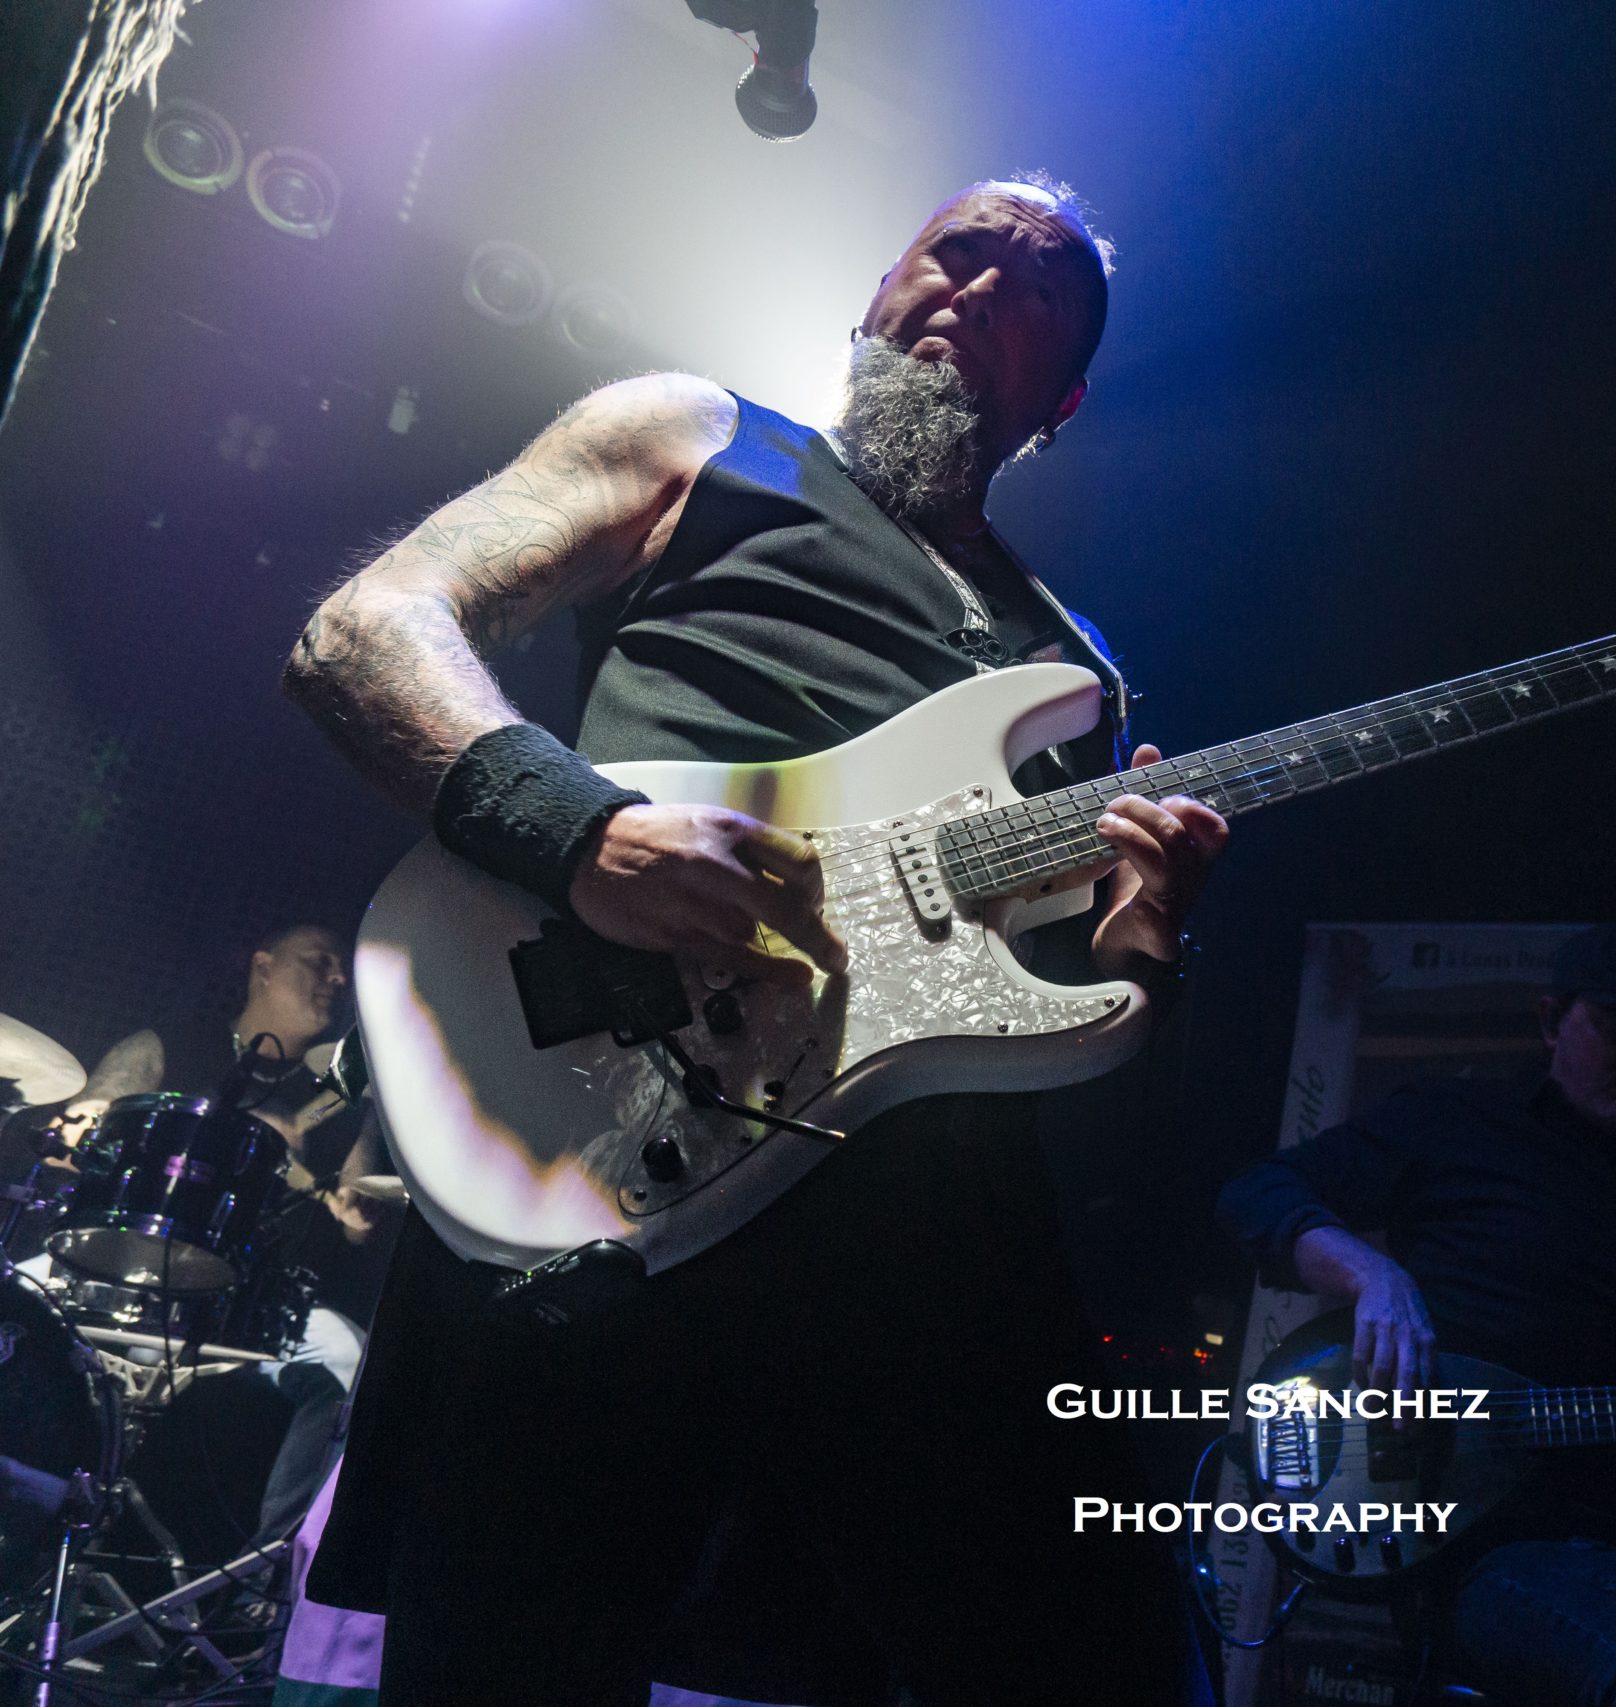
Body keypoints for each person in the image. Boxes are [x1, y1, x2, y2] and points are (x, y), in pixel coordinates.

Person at [281, 176, 1224, 1705]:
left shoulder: (1078, 669)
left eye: (1039, 289)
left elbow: (1064, 1034)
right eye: (958, 252)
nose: (983, 289)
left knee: (1101, 1653)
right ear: (876, 295)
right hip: (605, 1120)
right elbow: (368, 629)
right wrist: (580, 830)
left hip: (919, 1223)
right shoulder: (702, 437)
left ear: (1063, 400)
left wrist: (1143, 946)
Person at [1215, 924, 1616, 1705]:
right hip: (1471, 1549)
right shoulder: (1456, 1120)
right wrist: (1373, 1274)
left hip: (1610, 1544)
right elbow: (1254, 1194)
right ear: (1551, 1020)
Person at [24, 922, 395, 1549]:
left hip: (239, 1303)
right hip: (107, 1267)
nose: (337, 979)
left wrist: (356, 1213)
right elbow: (94, 1111)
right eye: (320, 962)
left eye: (343, 972)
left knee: (347, 1364)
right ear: (264, 967)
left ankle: (271, 1573)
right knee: (12, 1293)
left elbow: (360, 1221)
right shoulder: (172, 1044)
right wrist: (83, 1122)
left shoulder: (345, 1096)